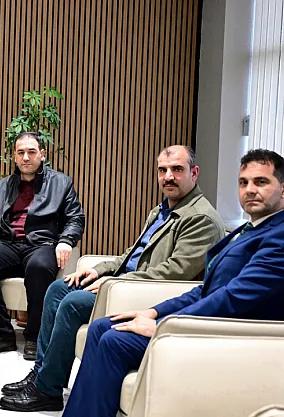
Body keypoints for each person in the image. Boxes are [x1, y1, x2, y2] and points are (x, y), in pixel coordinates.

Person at [0, 145, 226, 412]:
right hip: (125, 282)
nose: (168, 177)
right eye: (162, 170)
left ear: (194, 173)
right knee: (59, 288)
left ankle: (47, 388)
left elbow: (174, 272)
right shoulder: (162, 210)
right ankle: (42, 376)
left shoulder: (200, 218)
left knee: (72, 303)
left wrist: (113, 283)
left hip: (143, 294)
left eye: (177, 169)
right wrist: (99, 270)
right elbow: (131, 255)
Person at [62, 149, 284, 417]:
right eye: (243, 182)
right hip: (207, 321)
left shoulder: (279, 237)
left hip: (231, 335)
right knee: (100, 327)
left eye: (261, 182)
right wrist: (153, 311)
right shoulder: (249, 229)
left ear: (282, 189)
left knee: (114, 341)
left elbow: (233, 297)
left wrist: (164, 325)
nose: (250, 190)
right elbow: (206, 289)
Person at [0, 131, 86, 360]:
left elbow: (75, 219)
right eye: (20, 152)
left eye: (31, 152)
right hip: (10, 243)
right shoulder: (3, 186)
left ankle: (34, 336)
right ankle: (3, 333)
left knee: (39, 268)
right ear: (14, 156)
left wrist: (65, 240)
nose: (25, 157)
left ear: (42, 154)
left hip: (43, 244)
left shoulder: (61, 183)